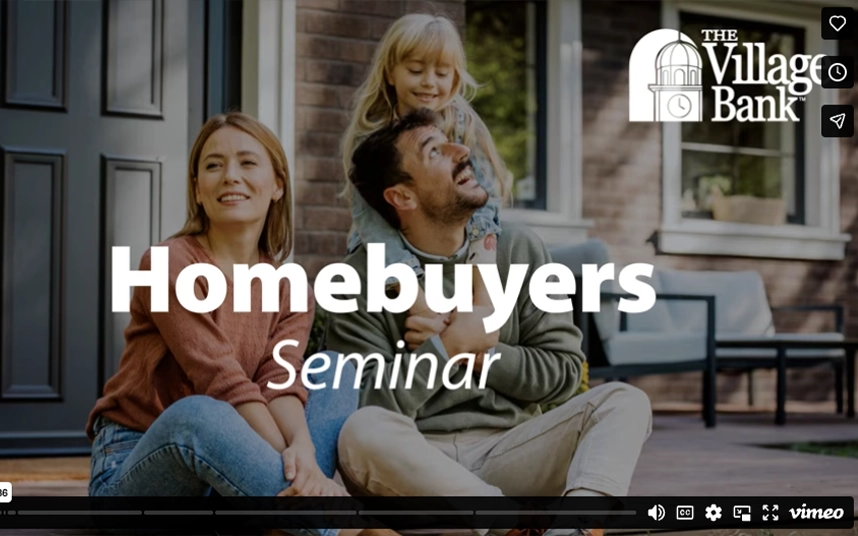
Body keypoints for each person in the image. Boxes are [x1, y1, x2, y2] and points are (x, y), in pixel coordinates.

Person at [327, 108, 654, 536]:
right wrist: (446, 349)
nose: (461, 151)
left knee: (624, 402)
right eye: (435, 152)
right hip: (415, 467)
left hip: (512, 449)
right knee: (360, 430)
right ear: (401, 197)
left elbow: (564, 371)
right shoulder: (361, 277)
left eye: (452, 141)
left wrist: (484, 353)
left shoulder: (518, 249)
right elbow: (366, 402)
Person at [86, 112, 394, 536]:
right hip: (139, 473)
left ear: (277, 184)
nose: (230, 176)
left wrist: (302, 449)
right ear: (198, 188)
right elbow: (221, 381)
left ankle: (287, 514)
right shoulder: (168, 263)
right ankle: (341, 527)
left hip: (232, 477)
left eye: (248, 163)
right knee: (199, 414)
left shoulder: (288, 284)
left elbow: (277, 381)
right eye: (213, 165)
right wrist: (302, 467)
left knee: (335, 369)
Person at [340, 13, 508, 322]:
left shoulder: (463, 125)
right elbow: (373, 228)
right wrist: (419, 305)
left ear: (455, 79)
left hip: (458, 247)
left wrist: (482, 301)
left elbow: (483, 204)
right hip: (389, 250)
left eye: (442, 73)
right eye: (416, 70)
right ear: (390, 72)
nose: (429, 82)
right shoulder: (372, 136)